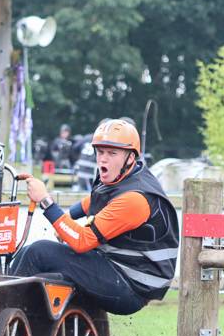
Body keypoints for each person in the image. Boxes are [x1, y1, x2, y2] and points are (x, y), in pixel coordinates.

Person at [12, 118, 179, 315]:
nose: (103, 159)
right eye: (100, 152)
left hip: (131, 286)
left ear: (130, 157)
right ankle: (16, 313)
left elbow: (82, 241)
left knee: (38, 252)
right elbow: (93, 201)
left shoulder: (134, 200)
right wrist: (68, 218)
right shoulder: (126, 176)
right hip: (119, 268)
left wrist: (45, 201)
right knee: (26, 251)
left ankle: (4, 314)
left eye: (112, 153)